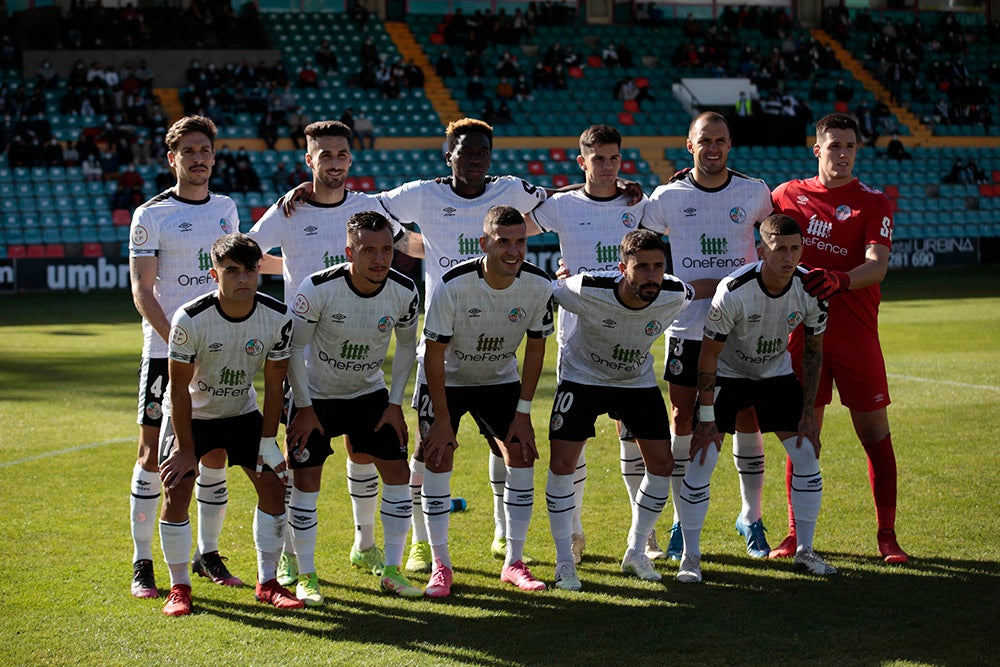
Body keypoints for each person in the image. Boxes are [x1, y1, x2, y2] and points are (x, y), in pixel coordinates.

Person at [376, 119, 549, 573]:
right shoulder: (422, 193)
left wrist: (609, 183)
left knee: (505, 447)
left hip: (494, 351)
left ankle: (502, 534)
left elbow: (559, 204)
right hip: (443, 346)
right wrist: (418, 245)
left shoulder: (508, 189)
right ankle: (421, 543)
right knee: (430, 448)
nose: (475, 159)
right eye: (465, 151)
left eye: (482, 153)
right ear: (447, 153)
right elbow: (372, 212)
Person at [249, 120, 405, 591]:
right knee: (304, 467)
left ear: (350, 160)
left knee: (365, 453)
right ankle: (294, 562)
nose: (334, 162)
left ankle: (365, 544)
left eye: (341, 154)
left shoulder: (367, 209)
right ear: (309, 160)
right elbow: (248, 253)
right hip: (306, 360)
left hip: (360, 359)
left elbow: (404, 243)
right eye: (325, 154)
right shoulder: (288, 211)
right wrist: (292, 268)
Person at [771, 112, 908, 564]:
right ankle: (795, 535)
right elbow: (735, 205)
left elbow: (878, 264)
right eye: (835, 146)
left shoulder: (873, 202)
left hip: (855, 336)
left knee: (874, 433)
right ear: (818, 150)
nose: (843, 155)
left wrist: (840, 280)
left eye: (850, 147)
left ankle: (887, 536)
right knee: (804, 435)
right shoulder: (787, 195)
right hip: (801, 336)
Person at [545, 229, 713, 591]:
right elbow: (547, 292)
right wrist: (560, 275)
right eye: (642, 267)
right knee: (562, 464)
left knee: (663, 465)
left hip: (635, 381)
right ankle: (563, 562)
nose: (652, 275)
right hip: (582, 378)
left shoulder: (673, 293)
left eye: (658, 266)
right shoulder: (587, 288)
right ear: (623, 268)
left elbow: (699, 288)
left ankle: (635, 551)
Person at [639, 111, 773, 561]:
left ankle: (751, 517)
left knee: (747, 417)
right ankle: (681, 521)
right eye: (704, 140)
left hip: (742, 327)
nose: (712, 147)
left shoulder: (754, 193)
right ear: (689, 145)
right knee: (683, 418)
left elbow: (775, 242)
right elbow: (636, 244)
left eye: (720, 140)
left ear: (729, 144)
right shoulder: (666, 197)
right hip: (687, 325)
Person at [675, 214, 834, 584]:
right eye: (780, 249)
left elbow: (813, 354)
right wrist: (707, 417)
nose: (789, 257)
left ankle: (805, 552)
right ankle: (690, 558)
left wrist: (807, 413)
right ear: (762, 250)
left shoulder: (810, 288)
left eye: (795, 248)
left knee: (807, 454)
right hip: (729, 376)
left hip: (775, 375)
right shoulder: (734, 289)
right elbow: (709, 356)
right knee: (701, 459)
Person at [527, 124, 658, 565]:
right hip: (578, 342)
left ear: (622, 161)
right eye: (597, 159)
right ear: (582, 162)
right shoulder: (561, 205)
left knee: (633, 436)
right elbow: (512, 231)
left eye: (613, 159)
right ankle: (576, 530)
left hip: (630, 336)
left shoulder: (636, 204)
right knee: (574, 441)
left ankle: (647, 533)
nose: (606, 166)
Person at [157, 233, 301, 616]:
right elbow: (179, 389)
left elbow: (274, 384)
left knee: (272, 485)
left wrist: (269, 440)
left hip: (241, 414)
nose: (242, 279)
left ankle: (268, 582)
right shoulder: (189, 318)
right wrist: (186, 450)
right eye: (232, 271)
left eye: (250, 270)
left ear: (259, 272)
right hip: (192, 417)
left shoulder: (278, 317)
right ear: (213, 273)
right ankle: (179, 587)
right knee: (177, 489)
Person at [128, 115, 241, 600]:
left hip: (217, 352)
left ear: (214, 157)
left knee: (213, 453)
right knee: (153, 456)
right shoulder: (150, 215)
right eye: (188, 151)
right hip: (165, 357)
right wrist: (178, 345)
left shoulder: (227, 208)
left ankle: (207, 552)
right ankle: (142, 562)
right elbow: (142, 291)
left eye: (205, 150)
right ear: (172, 159)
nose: (198, 158)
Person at [284, 211, 423, 603]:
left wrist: (395, 403)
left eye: (386, 250)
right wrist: (306, 407)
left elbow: (408, 346)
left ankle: (392, 571)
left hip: (369, 395)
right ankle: (305, 574)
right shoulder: (317, 289)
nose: (379, 260)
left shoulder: (404, 291)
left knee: (397, 473)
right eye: (368, 251)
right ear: (349, 251)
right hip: (316, 397)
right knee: (305, 483)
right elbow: (294, 349)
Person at [418, 205, 554, 597]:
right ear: (484, 243)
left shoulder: (537, 285)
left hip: (499, 379)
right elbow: (433, 355)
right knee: (439, 455)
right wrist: (442, 418)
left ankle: (514, 561)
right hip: (448, 380)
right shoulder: (453, 285)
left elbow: (536, 348)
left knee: (523, 454)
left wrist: (524, 412)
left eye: (520, 241)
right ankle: (441, 565)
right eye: (503, 241)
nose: (513, 250)